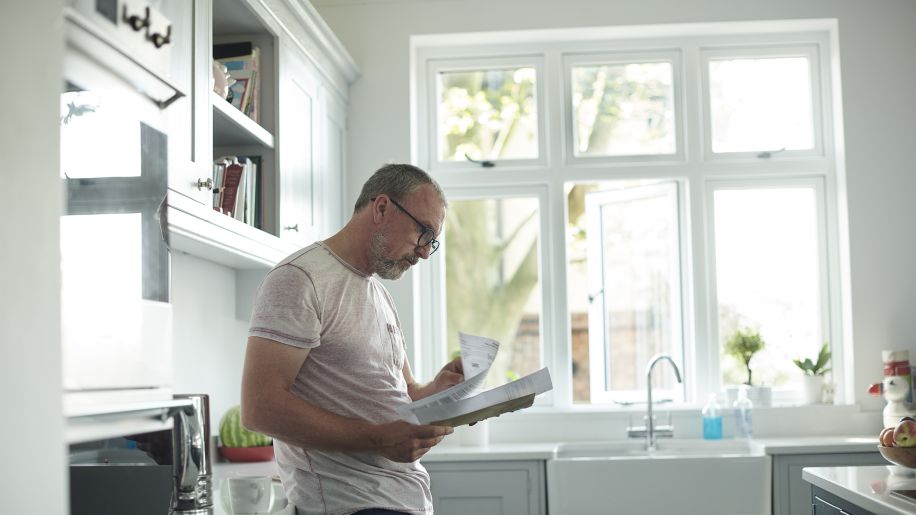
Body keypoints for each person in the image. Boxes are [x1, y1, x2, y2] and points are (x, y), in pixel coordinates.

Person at [240, 163, 464, 515]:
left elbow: (403, 395)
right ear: (382, 208)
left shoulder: (377, 291)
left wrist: (440, 388)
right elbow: (259, 408)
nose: (424, 252)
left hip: (403, 500)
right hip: (351, 506)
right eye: (423, 232)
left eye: (431, 242)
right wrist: (378, 438)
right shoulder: (299, 280)